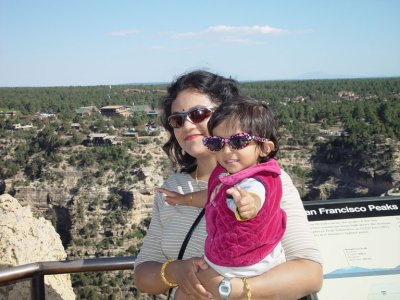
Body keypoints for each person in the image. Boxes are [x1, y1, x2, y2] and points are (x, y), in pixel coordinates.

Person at [134, 70, 323, 299]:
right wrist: (177, 271)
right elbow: (143, 274)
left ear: (226, 114)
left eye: (199, 114)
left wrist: (229, 289)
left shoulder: (269, 182)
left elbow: (310, 273)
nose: (187, 125)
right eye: (177, 119)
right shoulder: (174, 188)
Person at [160, 96, 287, 299]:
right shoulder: (227, 173)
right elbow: (214, 197)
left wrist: (248, 205)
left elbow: (255, 196)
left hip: (244, 262)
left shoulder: (255, 181)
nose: (227, 151)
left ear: (265, 148)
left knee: (185, 294)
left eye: (238, 141)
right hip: (239, 256)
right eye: (217, 143)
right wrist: (184, 199)